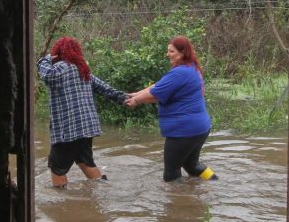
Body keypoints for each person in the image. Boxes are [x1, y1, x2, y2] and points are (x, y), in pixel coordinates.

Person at [38, 36, 128, 187]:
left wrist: (44, 60)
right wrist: (123, 98)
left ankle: (61, 205)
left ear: (58, 52)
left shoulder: (61, 68)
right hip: (86, 130)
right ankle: (102, 191)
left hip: (68, 132)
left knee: (57, 169)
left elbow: (48, 75)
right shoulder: (82, 69)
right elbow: (104, 88)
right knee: (85, 162)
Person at [125, 35, 218, 183]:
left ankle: (180, 204)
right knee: (192, 166)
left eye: (171, 51)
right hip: (199, 128)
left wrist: (136, 101)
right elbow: (158, 86)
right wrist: (137, 94)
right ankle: (214, 182)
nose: (167, 54)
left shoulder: (180, 72)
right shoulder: (191, 68)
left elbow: (155, 95)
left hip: (184, 131)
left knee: (171, 175)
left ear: (182, 53)